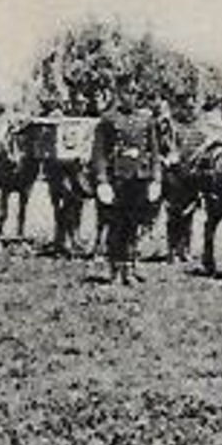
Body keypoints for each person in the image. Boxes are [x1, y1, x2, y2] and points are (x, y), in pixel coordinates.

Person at [91, 70, 164, 285]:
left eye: (134, 92)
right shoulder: (108, 119)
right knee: (116, 225)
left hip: (139, 178)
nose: (131, 96)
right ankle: (115, 270)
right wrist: (102, 180)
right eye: (127, 92)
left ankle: (130, 268)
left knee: (134, 225)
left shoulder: (146, 119)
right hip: (117, 179)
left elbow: (154, 151)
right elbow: (99, 153)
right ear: (118, 93)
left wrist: (156, 178)